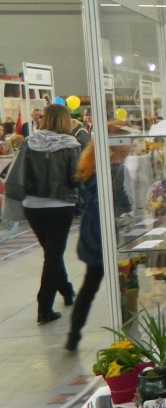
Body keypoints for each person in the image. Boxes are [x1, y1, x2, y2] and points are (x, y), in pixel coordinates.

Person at [17, 104, 81, 324]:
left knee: (51, 253)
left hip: (32, 204)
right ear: (65, 120)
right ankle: (44, 307)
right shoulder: (71, 144)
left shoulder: (29, 142)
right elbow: (75, 178)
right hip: (60, 205)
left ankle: (66, 290)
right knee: (53, 255)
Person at [66, 141, 102, 351]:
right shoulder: (105, 174)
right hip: (102, 236)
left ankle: (74, 333)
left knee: (89, 285)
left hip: (92, 235)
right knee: (92, 284)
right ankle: (74, 332)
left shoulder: (89, 171)